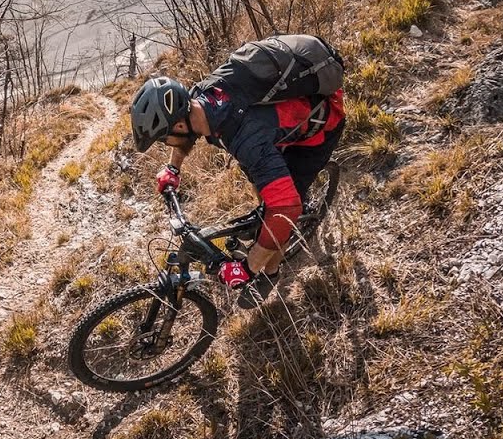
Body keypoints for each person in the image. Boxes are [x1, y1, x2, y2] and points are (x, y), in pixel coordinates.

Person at [129, 40, 345, 308]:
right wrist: (174, 168)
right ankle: (264, 238)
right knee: (266, 195)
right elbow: (185, 138)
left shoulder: (246, 137)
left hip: (316, 132)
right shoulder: (201, 98)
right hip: (271, 133)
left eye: (164, 138)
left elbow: (286, 208)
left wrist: (248, 267)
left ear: (181, 124)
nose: (167, 144)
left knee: (279, 212)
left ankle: (271, 273)